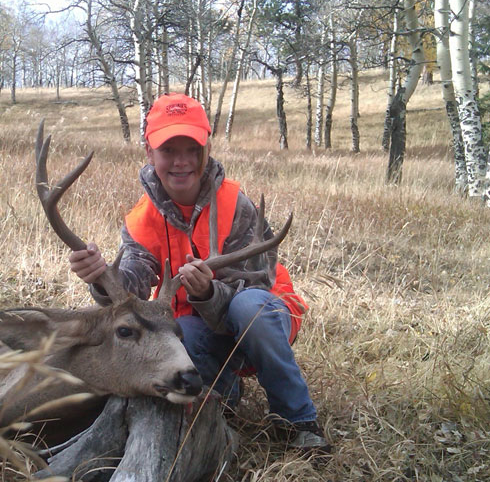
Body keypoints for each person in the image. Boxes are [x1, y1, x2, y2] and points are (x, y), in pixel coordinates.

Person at [68, 93, 330, 452]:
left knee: (249, 310)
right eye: (168, 150)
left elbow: (256, 285)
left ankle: (298, 420)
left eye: (192, 149)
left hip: (265, 317)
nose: (181, 162)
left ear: (207, 149)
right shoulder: (142, 220)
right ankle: (222, 400)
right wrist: (101, 276)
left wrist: (208, 293)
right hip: (199, 328)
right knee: (180, 334)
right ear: (149, 153)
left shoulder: (235, 205)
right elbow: (133, 281)